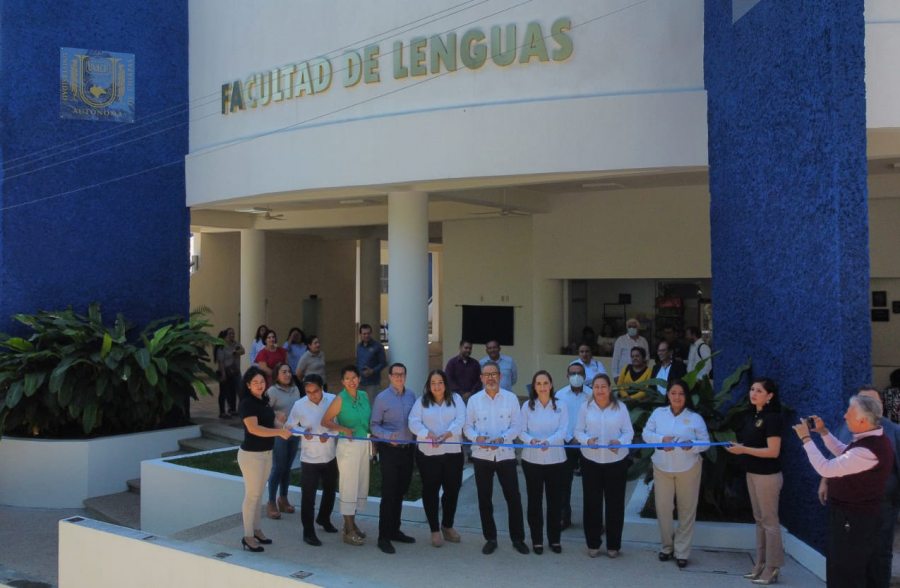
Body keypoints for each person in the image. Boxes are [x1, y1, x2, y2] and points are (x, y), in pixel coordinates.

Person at [795, 394, 894, 588]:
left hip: (854, 520)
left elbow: (826, 468)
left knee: (846, 571)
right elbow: (844, 451)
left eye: (849, 413)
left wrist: (806, 439)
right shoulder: (870, 440)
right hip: (853, 518)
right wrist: (823, 432)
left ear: (862, 420)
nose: (844, 416)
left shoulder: (868, 450)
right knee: (846, 567)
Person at [642, 379, 710, 568]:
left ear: (686, 396)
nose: (677, 397)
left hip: (688, 469)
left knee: (687, 510)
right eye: (673, 393)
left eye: (681, 393)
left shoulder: (695, 418)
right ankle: (667, 547)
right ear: (668, 395)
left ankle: (682, 551)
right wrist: (661, 439)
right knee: (663, 509)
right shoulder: (658, 413)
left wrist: (691, 446)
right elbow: (647, 434)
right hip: (662, 467)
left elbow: (705, 443)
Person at [464, 361, 528, 555]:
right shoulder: (474, 400)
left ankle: (518, 539)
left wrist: (502, 438)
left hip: (505, 455)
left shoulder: (511, 399)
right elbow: (467, 427)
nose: (490, 377)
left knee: (513, 498)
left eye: (494, 374)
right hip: (482, 456)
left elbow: (517, 426)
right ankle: (490, 538)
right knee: (485, 498)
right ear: (481, 378)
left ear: (500, 376)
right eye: (486, 374)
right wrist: (477, 438)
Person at [724, 378, 784, 584]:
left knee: (770, 522)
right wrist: (737, 446)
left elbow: (773, 451)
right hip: (752, 473)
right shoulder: (753, 416)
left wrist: (743, 450)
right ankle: (759, 564)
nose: (753, 393)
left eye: (759, 390)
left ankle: (772, 567)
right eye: (752, 389)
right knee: (759, 521)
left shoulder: (773, 418)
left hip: (767, 476)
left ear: (770, 396)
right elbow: (752, 444)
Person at [575, 373, 634, 558]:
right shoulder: (585, 407)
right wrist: (586, 440)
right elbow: (577, 431)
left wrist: (620, 442)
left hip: (616, 462)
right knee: (592, 503)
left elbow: (629, 432)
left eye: (603, 386)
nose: (599, 390)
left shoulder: (620, 408)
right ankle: (593, 543)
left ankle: (613, 545)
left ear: (609, 388)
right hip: (591, 461)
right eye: (596, 387)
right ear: (592, 389)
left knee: (615, 504)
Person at [236, 366, 293, 553]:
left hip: (266, 454)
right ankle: (248, 536)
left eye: (262, 382)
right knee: (252, 496)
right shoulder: (247, 403)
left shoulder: (264, 400)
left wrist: (287, 427)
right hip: (252, 456)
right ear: (248, 385)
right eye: (255, 383)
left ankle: (257, 530)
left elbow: (273, 422)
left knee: (258, 495)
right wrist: (279, 432)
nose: (260, 385)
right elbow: (253, 429)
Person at [408, 369, 466, 548]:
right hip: (429, 454)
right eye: (433, 383)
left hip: (452, 453)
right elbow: (413, 422)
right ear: (428, 385)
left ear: (445, 384)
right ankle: (434, 529)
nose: (437, 386)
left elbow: (461, 419)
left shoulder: (456, 399)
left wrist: (448, 434)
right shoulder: (421, 402)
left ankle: (447, 526)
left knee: (452, 490)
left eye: (440, 382)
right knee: (430, 490)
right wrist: (428, 434)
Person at [284, 373, 338, 547]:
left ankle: (324, 518)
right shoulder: (299, 405)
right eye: (308, 392)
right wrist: (302, 432)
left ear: (322, 388)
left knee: (330, 490)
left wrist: (328, 434)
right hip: (309, 459)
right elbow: (290, 427)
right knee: (308, 496)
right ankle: (308, 531)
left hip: (330, 455)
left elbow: (339, 426)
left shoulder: (333, 400)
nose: (312, 395)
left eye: (315, 391)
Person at [321, 365, 371, 546]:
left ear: (359, 379)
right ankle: (348, 530)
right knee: (348, 486)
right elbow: (325, 421)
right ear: (342, 381)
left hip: (364, 444)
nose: (352, 381)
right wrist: (343, 428)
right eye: (348, 378)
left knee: (359, 485)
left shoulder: (364, 396)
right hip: (348, 447)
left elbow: (367, 422)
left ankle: (352, 524)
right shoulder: (339, 399)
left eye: (354, 377)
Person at [370, 363, 418, 554]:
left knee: (401, 490)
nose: (399, 377)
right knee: (389, 493)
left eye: (402, 374)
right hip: (389, 451)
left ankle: (395, 530)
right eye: (396, 374)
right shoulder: (382, 398)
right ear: (389, 376)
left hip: (408, 451)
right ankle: (383, 537)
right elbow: (374, 425)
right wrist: (388, 437)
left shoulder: (411, 395)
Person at [519, 370, 568, 555]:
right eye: (538, 383)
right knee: (534, 502)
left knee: (555, 502)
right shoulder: (527, 407)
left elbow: (563, 430)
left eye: (545, 383)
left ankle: (554, 539)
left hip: (556, 460)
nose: (542, 387)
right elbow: (521, 431)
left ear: (551, 384)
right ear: (534, 387)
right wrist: (531, 440)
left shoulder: (561, 406)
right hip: (532, 461)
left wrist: (549, 441)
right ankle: (537, 540)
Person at [265, 363, 302, 520]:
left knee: (287, 467)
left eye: (289, 371)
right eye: (284, 372)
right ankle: (272, 501)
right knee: (278, 467)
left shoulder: (295, 389)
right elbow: (264, 410)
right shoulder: (272, 391)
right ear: (277, 375)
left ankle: (283, 498)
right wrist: (276, 413)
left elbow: (300, 408)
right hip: (279, 434)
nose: (287, 374)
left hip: (294, 433)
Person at [555, 361, 589, 530]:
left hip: (588, 445)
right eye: (573, 373)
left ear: (585, 376)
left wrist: (583, 438)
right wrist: (570, 438)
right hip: (567, 444)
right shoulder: (560, 395)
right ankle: (563, 517)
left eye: (579, 373)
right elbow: (558, 421)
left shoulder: (592, 394)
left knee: (591, 484)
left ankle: (592, 520)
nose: (576, 376)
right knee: (563, 483)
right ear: (567, 376)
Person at [214, 327, 244, 417]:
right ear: (225, 336)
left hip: (235, 371)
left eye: (233, 333)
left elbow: (243, 351)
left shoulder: (236, 344)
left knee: (233, 391)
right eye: (230, 334)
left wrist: (236, 352)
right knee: (224, 392)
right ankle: (222, 412)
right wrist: (223, 374)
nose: (232, 335)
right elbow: (220, 362)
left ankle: (233, 409)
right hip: (225, 371)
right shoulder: (221, 347)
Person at [357, 323, 387, 393]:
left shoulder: (378, 346)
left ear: (371, 333)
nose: (366, 335)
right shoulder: (359, 347)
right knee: (361, 403)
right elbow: (358, 362)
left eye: (368, 333)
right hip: (360, 382)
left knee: (371, 403)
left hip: (373, 383)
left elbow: (383, 363)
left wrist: (372, 371)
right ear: (360, 334)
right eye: (364, 334)